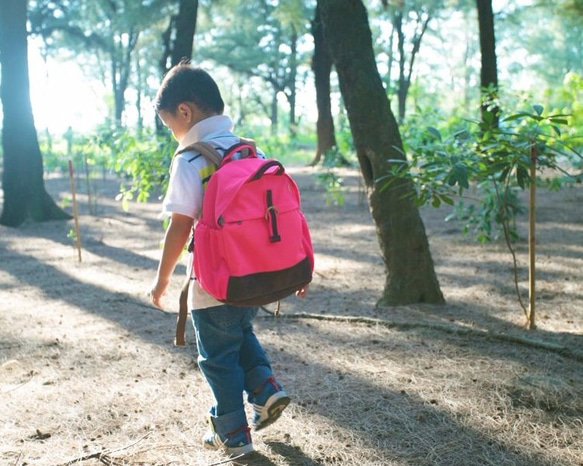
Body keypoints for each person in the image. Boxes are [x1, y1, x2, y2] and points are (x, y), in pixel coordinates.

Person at [149, 62, 307, 457]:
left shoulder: (190, 159)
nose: (174, 134)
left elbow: (180, 228)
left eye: (171, 126)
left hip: (213, 279)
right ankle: (266, 389)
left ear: (184, 112)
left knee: (216, 357)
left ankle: (233, 433)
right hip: (256, 275)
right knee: (238, 334)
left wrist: (162, 279)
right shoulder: (252, 152)